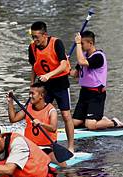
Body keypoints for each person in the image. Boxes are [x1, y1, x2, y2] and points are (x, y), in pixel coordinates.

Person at [29, 21, 75, 152]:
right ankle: (44, 145)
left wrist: (49, 75)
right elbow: (33, 67)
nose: (35, 40)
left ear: (45, 35)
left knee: (66, 115)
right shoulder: (32, 48)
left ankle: (71, 147)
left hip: (60, 83)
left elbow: (63, 65)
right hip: (44, 85)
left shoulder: (56, 43)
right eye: (33, 37)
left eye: (37, 37)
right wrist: (32, 85)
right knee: (42, 115)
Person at [70, 31, 123, 130]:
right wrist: (63, 66)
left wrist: (77, 44)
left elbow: (82, 61)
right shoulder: (84, 56)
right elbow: (75, 74)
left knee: (90, 126)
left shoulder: (98, 56)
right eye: (80, 44)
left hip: (96, 95)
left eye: (82, 43)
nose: (80, 46)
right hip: (84, 94)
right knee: (73, 123)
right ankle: (97, 120)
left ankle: (113, 122)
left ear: (90, 43)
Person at [6, 83, 65, 166]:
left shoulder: (51, 110)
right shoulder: (28, 108)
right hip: (31, 147)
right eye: (29, 93)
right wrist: (10, 102)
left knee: (64, 166)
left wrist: (41, 124)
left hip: (47, 147)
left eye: (32, 93)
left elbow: (53, 128)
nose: (30, 96)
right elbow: (13, 119)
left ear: (41, 95)